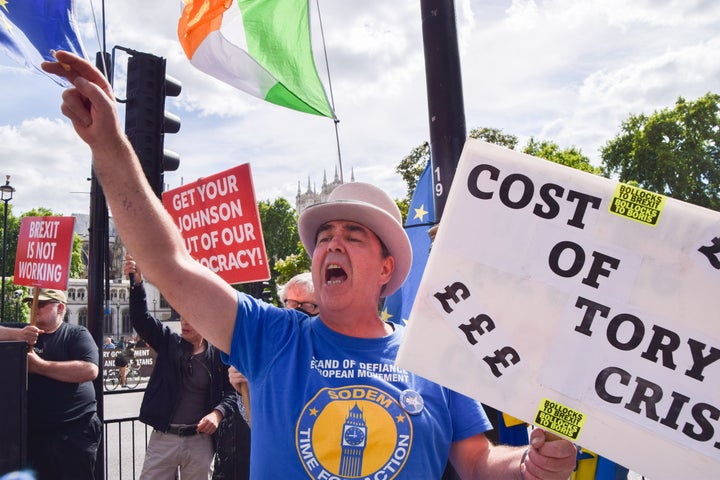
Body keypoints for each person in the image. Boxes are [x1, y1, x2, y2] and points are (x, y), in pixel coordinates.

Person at [43, 51, 577, 479]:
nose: (332, 245)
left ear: (388, 270)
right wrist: (109, 143)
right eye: (324, 237)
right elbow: (169, 263)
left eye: (353, 235)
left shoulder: (436, 353)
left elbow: (479, 464)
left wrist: (531, 466)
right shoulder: (274, 336)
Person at [124, 256, 237, 479]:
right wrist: (137, 285)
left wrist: (218, 414)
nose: (184, 322)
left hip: (200, 442)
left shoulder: (219, 354)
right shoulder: (168, 342)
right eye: (182, 317)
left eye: (191, 318)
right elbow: (141, 319)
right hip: (164, 439)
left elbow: (232, 393)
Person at [0, 288, 101, 480]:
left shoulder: (75, 334)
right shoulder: (24, 330)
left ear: (61, 308)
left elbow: (90, 370)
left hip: (74, 433)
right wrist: (18, 334)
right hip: (35, 435)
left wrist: (40, 366)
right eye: (32, 304)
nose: (34, 309)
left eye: (42, 304)